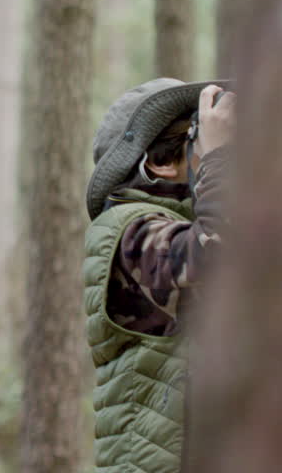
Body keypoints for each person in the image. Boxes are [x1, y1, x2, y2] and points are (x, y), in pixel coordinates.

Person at [83, 78, 235, 473]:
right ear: (161, 162)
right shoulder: (125, 230)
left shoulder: (182, 224)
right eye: (200, 139)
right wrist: (218, 160)